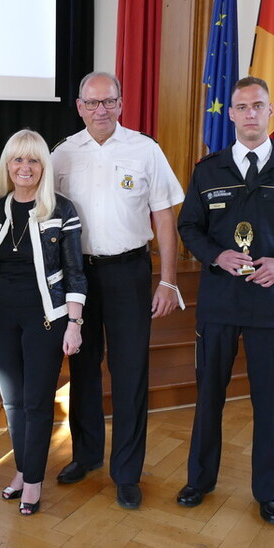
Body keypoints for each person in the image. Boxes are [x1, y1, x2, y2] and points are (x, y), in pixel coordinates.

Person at [175, 76, 274, 524]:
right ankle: (199, 481)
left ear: (270, 113)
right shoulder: (208, 170)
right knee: (208, 398)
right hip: (219, 304)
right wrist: (215, 255)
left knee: (268, 402)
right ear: (231, 114)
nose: (249, 114)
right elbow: (189, 228)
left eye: (258, 106)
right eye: (241, 107)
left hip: (270, 305)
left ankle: (267, 492)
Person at [50, 71, 185, 510]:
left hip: (129, 272)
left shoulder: (145, 150)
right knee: (83, 370)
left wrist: (168, 279)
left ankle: (126, 472)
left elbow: (164, 217)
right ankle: (86, 456)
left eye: (109, 102)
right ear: (79, 106)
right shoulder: (63, 155)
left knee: (129, 374)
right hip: (79, 278)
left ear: (121, 104)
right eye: (92, 103)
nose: (101, 110)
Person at [0, 129, 87, 516]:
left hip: (47, 319)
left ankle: (34, 481)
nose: (25, 167)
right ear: (8, 165)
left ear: (44, 167)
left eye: (33, 160)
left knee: (37, 402)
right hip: (1, 317)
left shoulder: (62, 210)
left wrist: (74, 322)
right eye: (18, 159)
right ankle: (23, 471)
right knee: (12, 402)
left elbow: (75, 271)